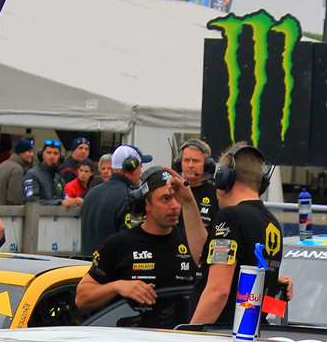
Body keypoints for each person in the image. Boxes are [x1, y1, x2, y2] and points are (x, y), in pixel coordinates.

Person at [177, 143, 289, 326]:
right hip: (248, 334)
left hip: (219, 340)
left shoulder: (230, 217)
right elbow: (203, 258)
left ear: (224, 178)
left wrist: (190, 334)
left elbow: (218, 291)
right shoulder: (272, 223)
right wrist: (188, 203)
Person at [74, 166, 196, 327]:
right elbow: (82, 298)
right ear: (147, 204)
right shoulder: (119, 244)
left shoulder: (192, 242)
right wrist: (117, 286)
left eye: (176, 198)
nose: (174, 205)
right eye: (165, 199)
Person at [79, 145, 145, 256]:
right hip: (114, 271)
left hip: (86, 269)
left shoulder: (92, 193)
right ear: (132, 168)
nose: (141, 172)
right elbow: (133, 242)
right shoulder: (130, 197)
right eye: (140, 167)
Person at [177, 138, 219, 228]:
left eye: (195, 161)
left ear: (207, 165)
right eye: (186, 160)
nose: (190, 165)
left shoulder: (216, 194)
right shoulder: (172, 190)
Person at [23, 139, 68, 205]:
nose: (52, 156)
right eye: (49, 152)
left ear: (60, 157)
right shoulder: (32, 174)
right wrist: (59, 203)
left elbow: (64, 198)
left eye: (56, 153)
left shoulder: (59, 177)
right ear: (42, 155)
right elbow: (32, 201)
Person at [0, 137, 34, 206]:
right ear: (20, 152)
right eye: (29, 151)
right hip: (8, 213)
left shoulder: (3, 164)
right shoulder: (17, 169)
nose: (32, 154)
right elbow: (14, 199)